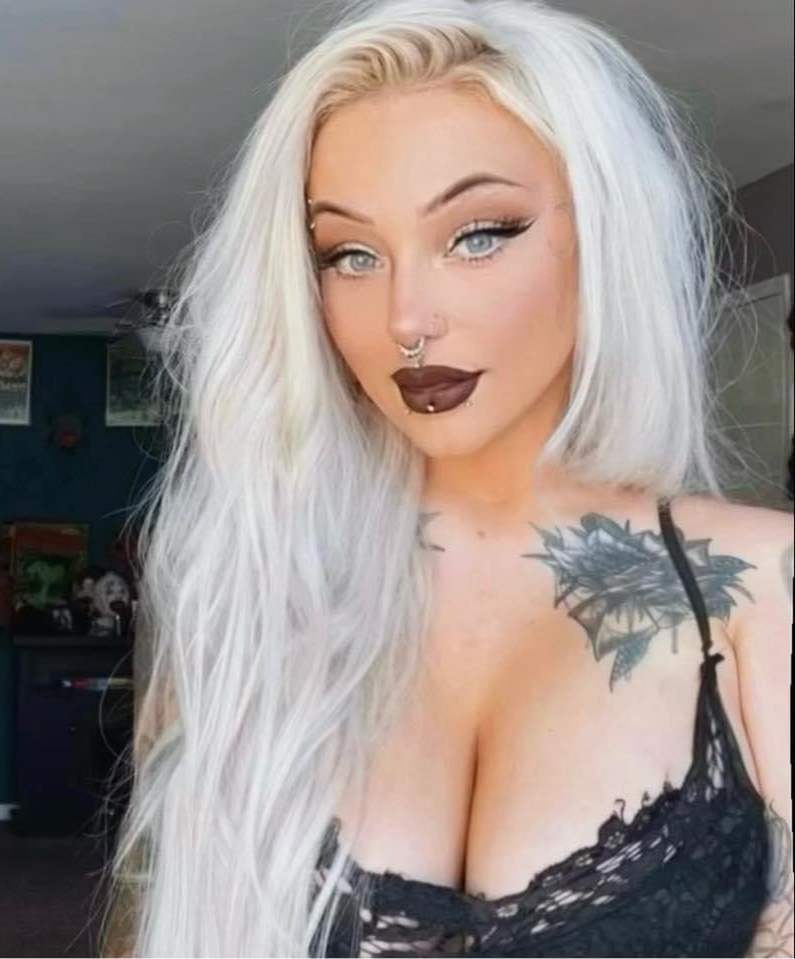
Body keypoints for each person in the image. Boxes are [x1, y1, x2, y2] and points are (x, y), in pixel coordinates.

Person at [103, 1, 793, 956]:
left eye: (478, 233)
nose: (406, 318)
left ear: (606, 233)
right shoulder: (248, 596)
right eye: (350, 254)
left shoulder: (758, 590)